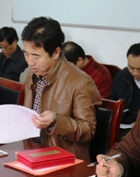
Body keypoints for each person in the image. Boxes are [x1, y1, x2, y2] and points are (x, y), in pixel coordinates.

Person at [20, 17, 101, 161]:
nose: (30, 62)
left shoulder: (81, 82)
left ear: (56, 52)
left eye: (36, 56)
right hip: (31, 152)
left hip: (64, 159)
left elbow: (88, 130)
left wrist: (56, 121)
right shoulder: (32, 73)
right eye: (26, 54)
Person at [109, 43, 140, 136]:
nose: (135, 73)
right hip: (122, 125)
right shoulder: (121, 77)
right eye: (131, 68)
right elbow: (112, 101)